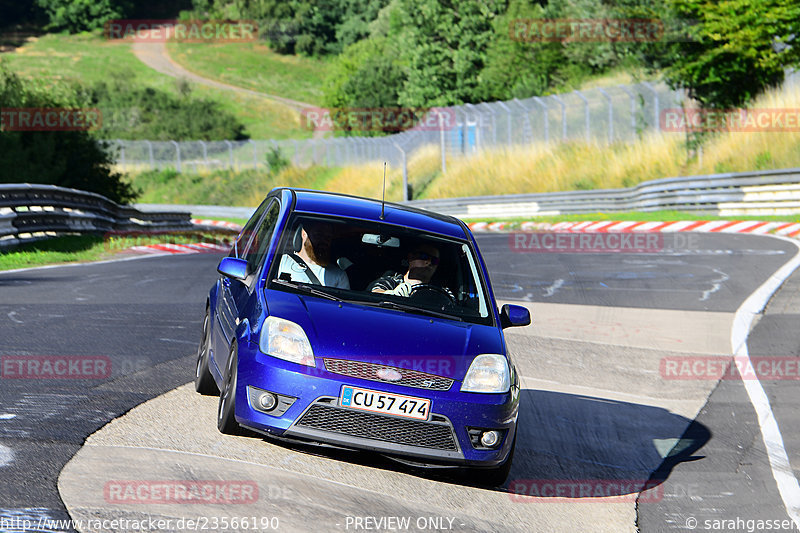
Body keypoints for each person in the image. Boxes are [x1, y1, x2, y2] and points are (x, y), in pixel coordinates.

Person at [277, 221, 350, 289]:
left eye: (328, 237)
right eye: (318, 235)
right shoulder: (281, 262)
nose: (323, 241)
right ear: (304, 234)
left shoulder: (339, 276)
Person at [368, 243, 441, 296]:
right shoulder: (393, 280)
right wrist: (392, 293)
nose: (429, 262)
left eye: (435, 260)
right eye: (424, 256)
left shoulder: (439, 290)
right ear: (410, 257)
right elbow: (376, 292)